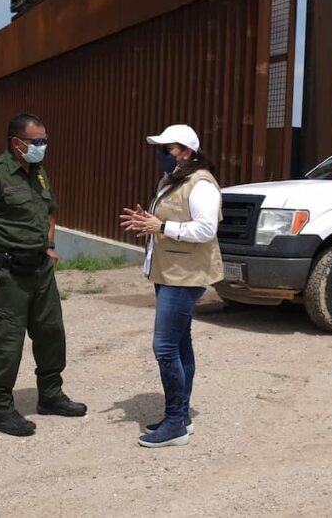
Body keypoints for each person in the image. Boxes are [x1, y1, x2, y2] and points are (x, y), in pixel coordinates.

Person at [0, 112, 86, 437]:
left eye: (44, 140)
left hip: (41, 270)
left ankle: (51, 395)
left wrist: (48, 244)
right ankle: (2, 410)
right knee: (6, 342)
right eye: (37, 141)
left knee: (51, 333)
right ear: (17, 143)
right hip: (8, 273)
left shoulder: (39, 174)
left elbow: (48, 212)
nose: (43, 146)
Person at [119, 124, 223, 448]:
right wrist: (148, 222)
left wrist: (162, 225)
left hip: (185, 275)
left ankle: (175, 422)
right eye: (161, 148)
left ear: (187, 151)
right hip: (170, 271)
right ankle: (180, 416)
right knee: (179, 343)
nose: (162, 154)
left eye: (168, 148)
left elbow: (205, 229)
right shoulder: (172, 179)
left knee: (164, 347)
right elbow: (167, 221)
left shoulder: (201, 183)